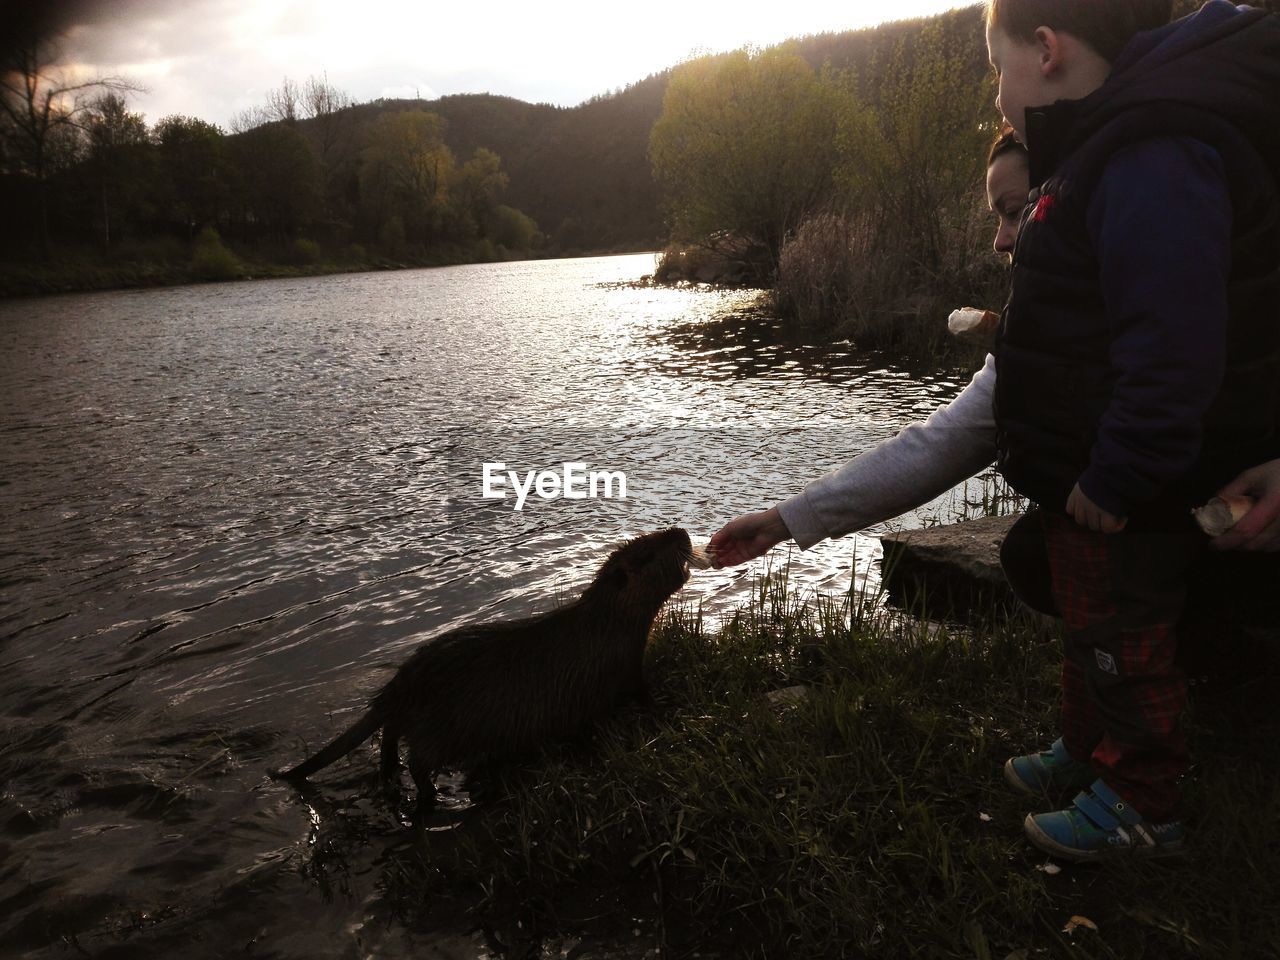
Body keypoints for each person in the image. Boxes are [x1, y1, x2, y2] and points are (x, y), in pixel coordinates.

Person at [711, 0, 1280, 862]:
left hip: (1140, 494)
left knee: (1123, 639)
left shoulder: (1146, 156)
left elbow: (1172, 349)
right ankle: (1091, 751)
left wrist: (1119, 474)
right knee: (1088, 626)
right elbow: (950, 436)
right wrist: (792, 518)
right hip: (1100, 491)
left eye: (994, 69)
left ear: (1045, 52)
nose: (1003, 239)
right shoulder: (1093, 166)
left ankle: (1143, 798)